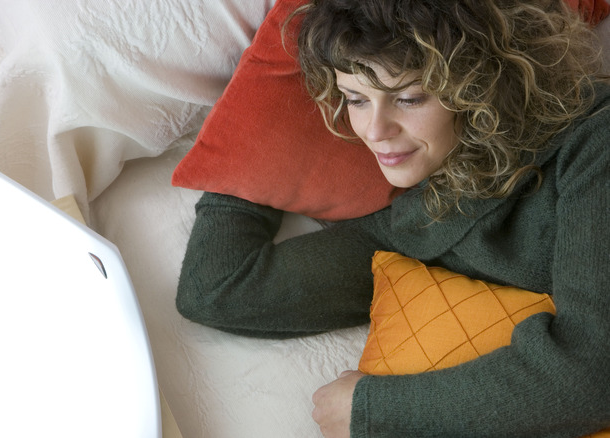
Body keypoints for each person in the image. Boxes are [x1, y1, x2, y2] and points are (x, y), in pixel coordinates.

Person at [176, 0, 610, 436]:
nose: (376, 130)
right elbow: (219, 289)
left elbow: (596, 370)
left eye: (408, 97)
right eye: (356, 99)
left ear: (483, 83)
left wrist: (373, 409)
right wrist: (248, 155)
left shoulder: (595, 143)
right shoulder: (417, 220)